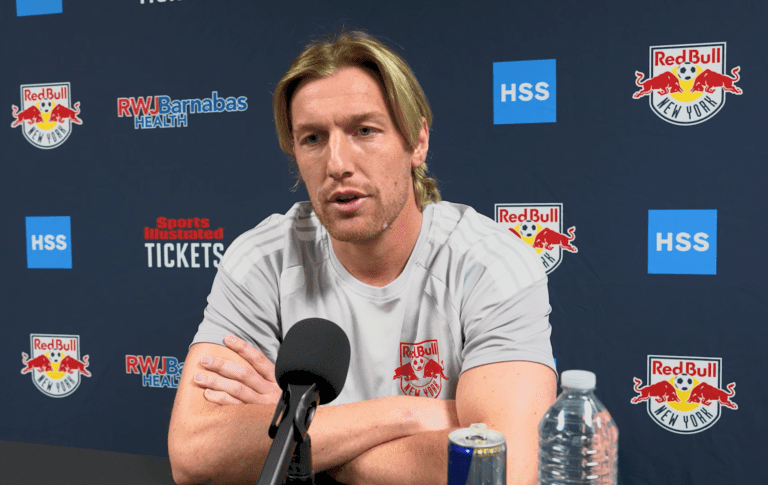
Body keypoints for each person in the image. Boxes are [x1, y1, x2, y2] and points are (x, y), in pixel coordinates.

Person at [168, 30, 556, 485]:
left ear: (417, 142)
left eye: (364, 131)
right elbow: (194, 455)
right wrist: (412, 415)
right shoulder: (261, 259)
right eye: (312, 138)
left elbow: (503, 469)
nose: (337, 163)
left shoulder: (489, 265)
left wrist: (293, 433)